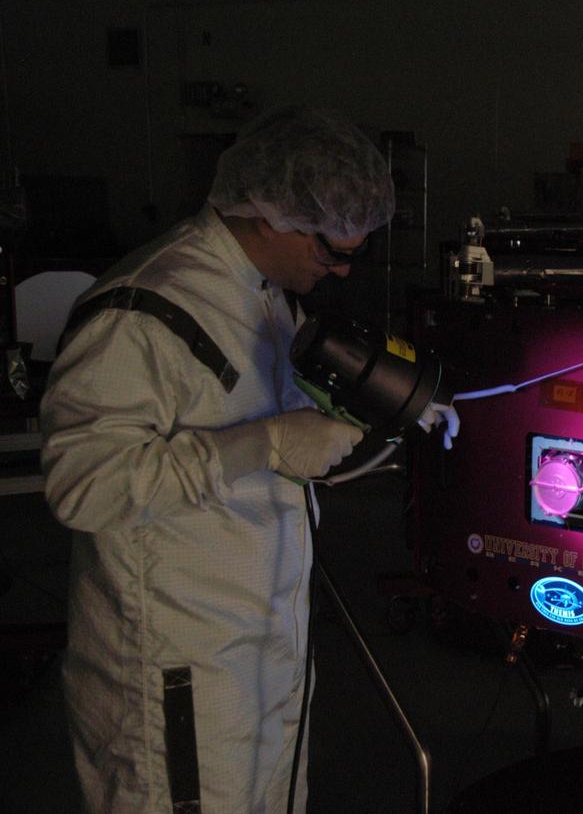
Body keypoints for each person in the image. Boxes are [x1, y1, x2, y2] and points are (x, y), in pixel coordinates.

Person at [40, 106, 403, 812]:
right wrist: (263, 444)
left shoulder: (266, 296)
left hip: (264, 648)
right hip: (176, 670)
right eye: (330, 250)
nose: (338, 270)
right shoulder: (141, 311)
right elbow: (82, 483)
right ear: (271, 213)